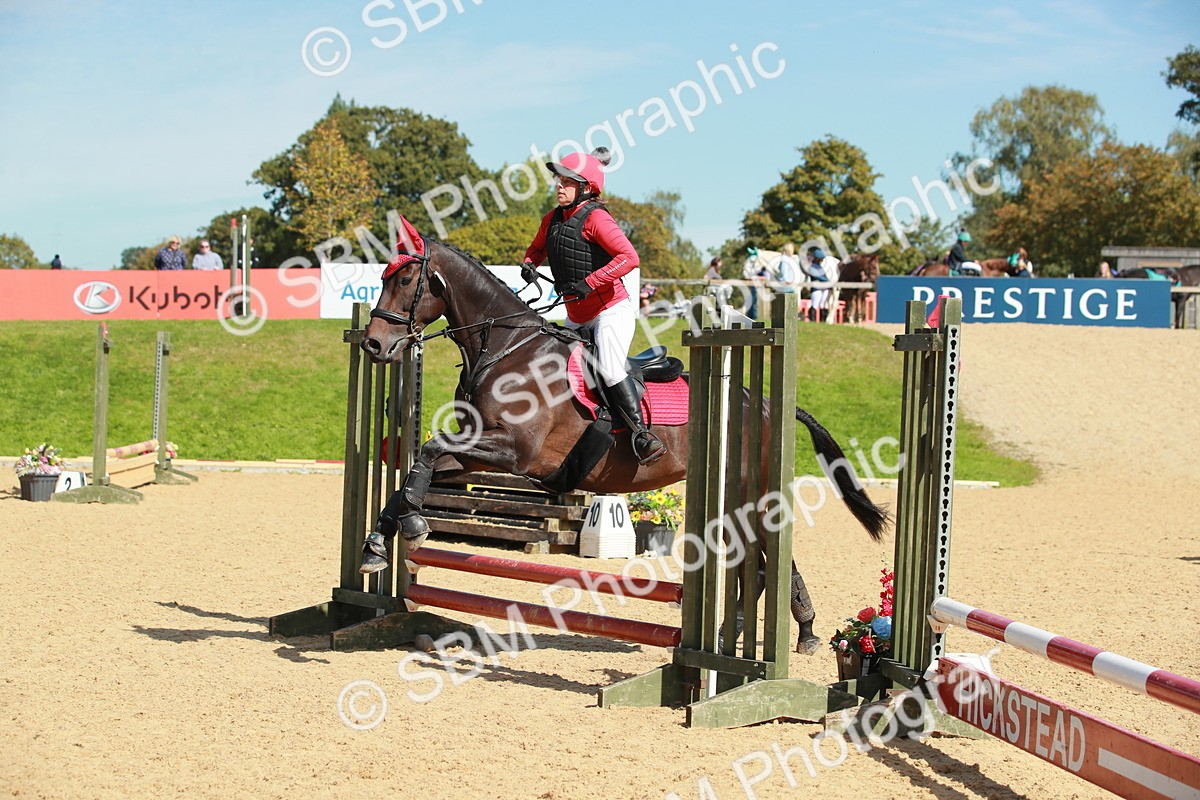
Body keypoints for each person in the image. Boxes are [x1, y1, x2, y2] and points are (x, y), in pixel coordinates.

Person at [521, 148, 665, 465]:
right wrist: (530, 263)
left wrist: (590, 282)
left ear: (586, 187)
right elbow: (536, 249)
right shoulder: (552, 219)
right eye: (558, 179)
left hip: (610, 312)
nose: (559, 185)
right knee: (547, 359)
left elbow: (629, 258)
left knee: (611, 368)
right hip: (575, 317)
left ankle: (642, 435)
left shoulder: (597, 218)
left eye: (567, 181)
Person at [805, 247, 840, 322]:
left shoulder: (820, 267)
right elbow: (820, 277)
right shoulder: (812, 267)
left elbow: (824, 277)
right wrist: (829, 282)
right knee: (815, 304)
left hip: (824, 287)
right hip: (816, 288)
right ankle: (812, 320)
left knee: (823, 305)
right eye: (822, 258)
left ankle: (822, 320)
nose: (823, 260)